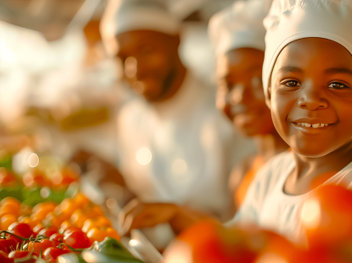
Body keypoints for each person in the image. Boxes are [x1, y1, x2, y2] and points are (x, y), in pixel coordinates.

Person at [119, 0, 352, 243]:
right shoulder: (270, 176)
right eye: (291, 82)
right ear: (270, 95)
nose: (309, 100)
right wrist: (175, 215)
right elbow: (236, 243)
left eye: (336, 84)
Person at [97, 0, 255, 248]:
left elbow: (248, 228)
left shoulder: (230, 113)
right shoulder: (129, 117)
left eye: (146, 51)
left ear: (176, 39)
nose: (134, 68)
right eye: (122, 58)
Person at [208, 0, 288, 209]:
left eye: (256, 80)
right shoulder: (243, 173)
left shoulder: (308, 171)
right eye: (228, 84)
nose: (238, 97)